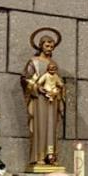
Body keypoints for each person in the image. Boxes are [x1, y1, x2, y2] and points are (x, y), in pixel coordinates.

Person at [21, 31, 66, 166]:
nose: (49, 48)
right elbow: (25, 79)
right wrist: (38, 88)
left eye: (52, 46)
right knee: (40, 126)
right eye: (47, 45)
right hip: (39, 99)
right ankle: (38, 156)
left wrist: (57, 91)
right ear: (41, 46)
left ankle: (50, 156)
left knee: (51, 127)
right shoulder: (33, 62)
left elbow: (58, 82)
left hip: (52, 101)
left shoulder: (53, 64)